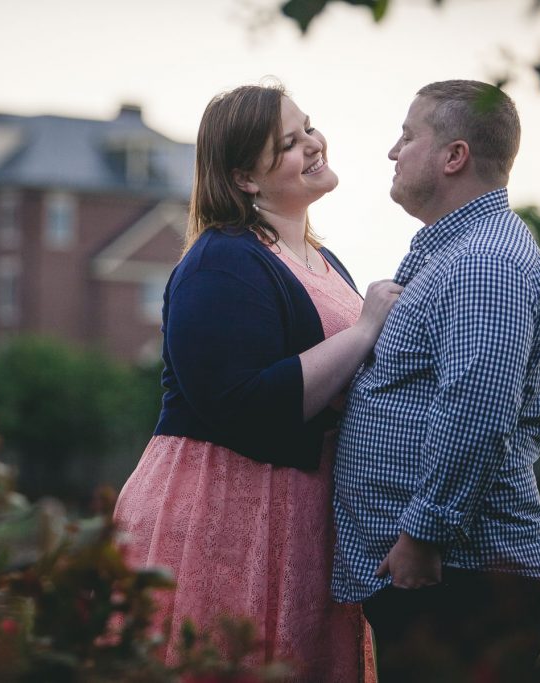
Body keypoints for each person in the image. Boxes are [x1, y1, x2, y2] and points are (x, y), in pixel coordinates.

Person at [113, 82, 401, 681]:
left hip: (301, 511)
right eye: (289, 143)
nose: (314, 145)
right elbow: (243, 404)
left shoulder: (324, 261)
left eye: (309, 128)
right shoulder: (221, 260)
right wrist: (367, 327)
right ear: (245, 178)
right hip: (226, 512)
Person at [332, 80, 540, 683]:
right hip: (446, 578)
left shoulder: (484, 262)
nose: (393, 151)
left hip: (461, 579)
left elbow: (477, 410)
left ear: (453, 156)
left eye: (408, 136)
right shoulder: (459, 251)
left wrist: (423, 533)